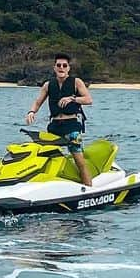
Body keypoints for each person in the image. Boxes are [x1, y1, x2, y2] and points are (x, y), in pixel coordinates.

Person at [25, 53, 94, 187]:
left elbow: (88, 99)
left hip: (72, 126)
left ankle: (89, 188)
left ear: (68, 68)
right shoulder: (48, 85)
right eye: (58, 65)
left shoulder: (76, 82)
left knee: (79, 160)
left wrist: (72, 98)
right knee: (46, 157)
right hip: (54, 126)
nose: (61, 68)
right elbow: (38, 102)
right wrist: (32, 112)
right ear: (54, 67)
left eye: (64, 65)